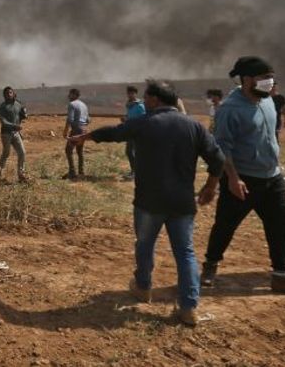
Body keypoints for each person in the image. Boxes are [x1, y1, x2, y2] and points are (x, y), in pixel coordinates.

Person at [69, 80, 224, 326]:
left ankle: (143, 287)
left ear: (154, 99)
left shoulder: (145, 123)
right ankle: (189, 308)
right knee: (185, 253)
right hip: (182, 203)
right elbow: (218, 159)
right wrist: (210, 187)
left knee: (144, 244)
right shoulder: (194, 126)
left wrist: (86, 136)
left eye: (146, 97)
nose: (144, 101)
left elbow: (114, 133)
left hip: (149, 202)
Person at [201, 56, 285, 295]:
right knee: (226, 225)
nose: (269, 82)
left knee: (282, 226)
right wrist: (233, 179)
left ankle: (282, 276)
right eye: (263, 77)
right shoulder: (229, 110)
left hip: (272, 176)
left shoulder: (268, 101)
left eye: (270, 76)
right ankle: (210, 265)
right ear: (246, 80)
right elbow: (223, 147)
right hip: (243, 178)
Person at [0, 86, 28, 182]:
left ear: (14, 93)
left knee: (22, 153)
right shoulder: (2, 107)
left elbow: (21, 116)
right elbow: (3, 121)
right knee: (6, 153)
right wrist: (15, 126)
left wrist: (24, 114)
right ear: (4, 96)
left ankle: (21, 174)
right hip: (6, 133)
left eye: (10, 93)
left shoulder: (18, 104)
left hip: (16, 133)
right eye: (6, 93)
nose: (8, 95)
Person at [63, 88, 90, 180]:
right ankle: (81, 172)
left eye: (70, 94)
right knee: (79, 151)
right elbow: (88, 120)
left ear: (74, 94)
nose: (68, 96)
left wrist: (65, 131)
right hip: (84, 130)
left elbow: (70, 119)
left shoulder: (72, 104)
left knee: (68, 150)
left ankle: (72, 172)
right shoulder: (84, 105)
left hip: (76, 130)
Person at [122, 86, 147, 179]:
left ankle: (136, 172)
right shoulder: (129, 105)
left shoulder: (140, 105)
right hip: (130, 130)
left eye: (132, 93)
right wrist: (125, 118)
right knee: (130, 152)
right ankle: (134, 171)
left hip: (137, 131)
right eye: (129, 93)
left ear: (135, 94)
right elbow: (130, 116)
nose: (130, 95)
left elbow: (144, 118)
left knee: (132, 152)